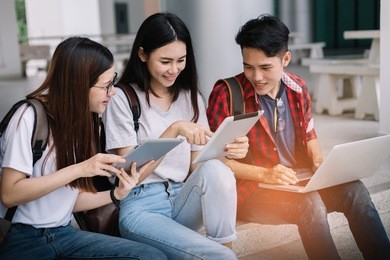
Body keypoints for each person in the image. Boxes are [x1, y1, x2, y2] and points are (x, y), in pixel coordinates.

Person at [206, 14, 390, 260]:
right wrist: (266, 174)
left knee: (356, 191)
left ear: (286, 60)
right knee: (310, 204)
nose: (256, 77)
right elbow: (215, 161)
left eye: (265, 67)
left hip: (299, 182)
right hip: (252, 192)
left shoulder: (298, 88)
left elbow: (310, 134)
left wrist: (318, 161)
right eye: (248, 66)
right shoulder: (226, 94)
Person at [0, 36, 167, 260]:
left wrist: (117, 194)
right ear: (79, 85)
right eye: (106, 86)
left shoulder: (86, 123)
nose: (113, 92)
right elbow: (10, 194)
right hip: (22, 239)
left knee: (150, 256)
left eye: (113, 82)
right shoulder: (28, 117)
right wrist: (80, 169)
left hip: (64, 234)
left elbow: (70, 201)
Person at [103, 12, 249, 260]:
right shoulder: (122, 98)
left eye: (181, 60)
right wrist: (173, 130)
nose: (174, 69)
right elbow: (129, 177)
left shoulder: (190, 97)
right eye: (165, 61)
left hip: (182, 198)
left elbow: (197, 165)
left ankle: (224, 249)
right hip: (141, 207)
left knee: (218, 169)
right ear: (142, 54)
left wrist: (227, 150)